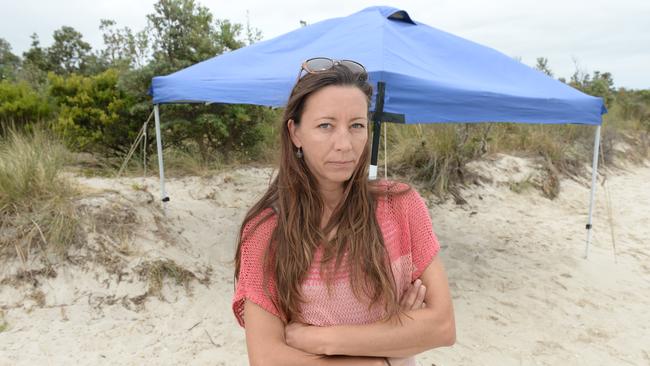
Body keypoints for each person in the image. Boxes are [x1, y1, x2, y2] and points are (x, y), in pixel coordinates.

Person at [233, 57, 455, 366]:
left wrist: (321, 339)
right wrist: (385, 352)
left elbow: (442, 327)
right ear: (295, 133)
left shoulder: (400, 206)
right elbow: (268, 358)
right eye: (326, 125)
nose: (345, 144)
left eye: (356, 126)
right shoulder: (266, 230)